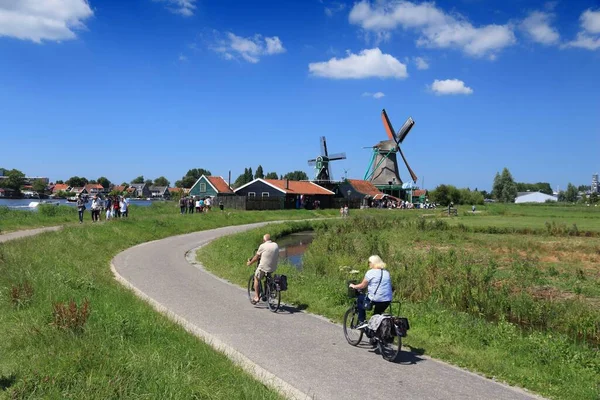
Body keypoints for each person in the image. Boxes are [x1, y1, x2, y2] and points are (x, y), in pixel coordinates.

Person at [349, 255, 393, 328]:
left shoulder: (371, 272)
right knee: (376, 317)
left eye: (369, 262)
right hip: (387, 299)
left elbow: (363, 285)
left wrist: (354, 286)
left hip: (375, 299)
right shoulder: (386, 273)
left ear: (373, 263)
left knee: (360, 299)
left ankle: (361, 321)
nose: (369, 264)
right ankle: (376, 335)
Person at [246, 234, 279, 304]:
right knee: (268, 278)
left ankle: (256, 297)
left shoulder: (262, 246)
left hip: (263, 267)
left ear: (264, 240)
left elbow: (256, 257)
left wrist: (250, 263)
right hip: (273, 267)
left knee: (256, 278)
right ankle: (268, 292)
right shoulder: (276, 245)